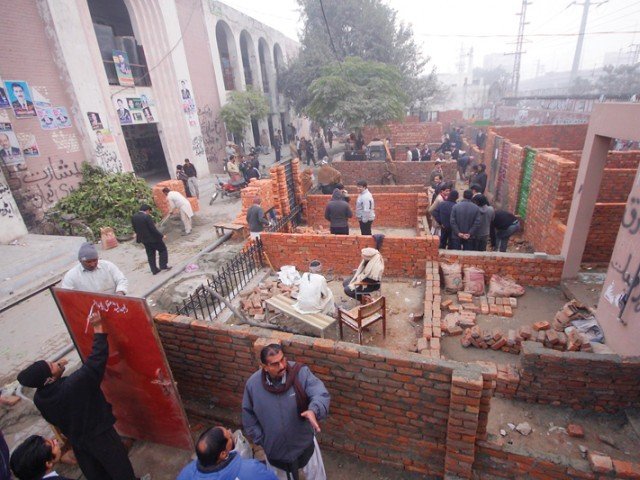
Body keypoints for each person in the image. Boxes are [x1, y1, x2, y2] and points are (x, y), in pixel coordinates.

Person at [17, 312, 138, 480]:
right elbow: (96, 360)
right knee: (119, 467)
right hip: (100, 435)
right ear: (50, 379)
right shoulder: (74, 385)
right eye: (53, 365)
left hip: (78, 441)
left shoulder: (40, 398)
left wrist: (58, 370)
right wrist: (98, 330)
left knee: (95, 471)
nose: (57, 363)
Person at [242, 344, 330, 480]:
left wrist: (314, 409)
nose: (282, 366)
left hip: (304, 442)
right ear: (264, 367)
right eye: (275, 364)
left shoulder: (300, 373)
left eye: (283, 360)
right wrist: (263, 440)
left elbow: (319, 393)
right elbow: (248, 417)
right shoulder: (253, 385)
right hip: (275, 451)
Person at [177, 426, 277, 480]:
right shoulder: (251, 470)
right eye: (229, 436)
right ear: (223, 454)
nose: (230, 432)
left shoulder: (186, 473)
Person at [60, 243, 128, 294]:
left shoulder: (108, 266)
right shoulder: (71, 275)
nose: (92, 264)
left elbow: (122, 280)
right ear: (80, 261)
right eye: (88, 262)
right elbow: (66, 294)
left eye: (95, 260)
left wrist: (120, 293)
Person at [132, 204, 171, 275]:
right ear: (147, 210)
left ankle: (154, 270)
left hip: (144, 239)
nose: (149, 213)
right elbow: (153, 229)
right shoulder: (146, 217)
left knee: (150, 254)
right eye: (149, 211)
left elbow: (135, 228)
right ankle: (163, 265)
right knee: (162, 250)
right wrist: (161, 236)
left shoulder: (134, 217)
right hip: (153, 238)